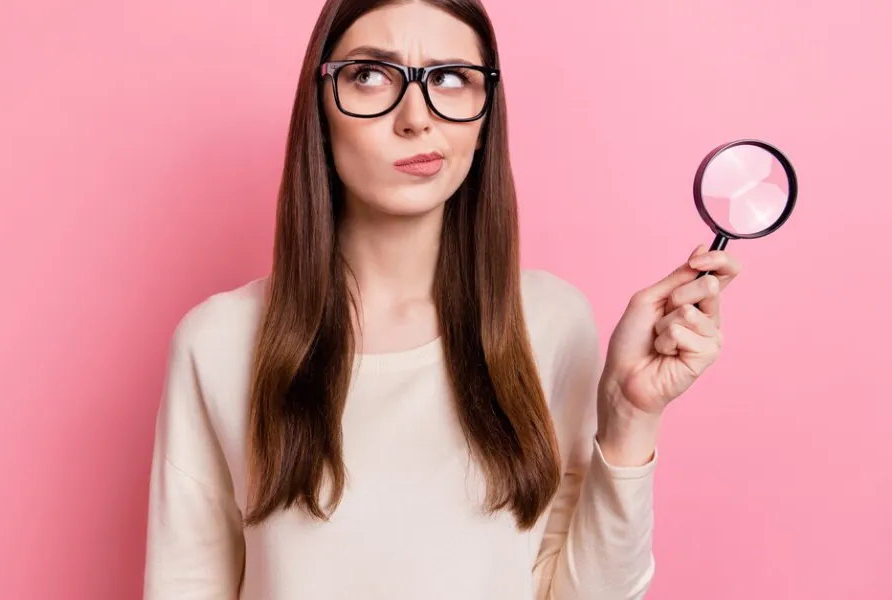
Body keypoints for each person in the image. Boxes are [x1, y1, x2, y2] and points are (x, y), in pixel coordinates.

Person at [142, 0, 740, 598]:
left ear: (484, 120)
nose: (415, 117)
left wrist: (631, 414)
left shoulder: (551, 324)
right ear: (320, 107)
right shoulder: (219, 342)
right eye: (370, 75)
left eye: (451, 78)